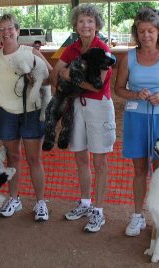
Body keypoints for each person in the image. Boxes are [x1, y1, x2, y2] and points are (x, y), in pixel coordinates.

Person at [114, 7, 159, 236]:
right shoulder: (129, 57)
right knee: (139, 170)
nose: (146, 35)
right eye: (142, 31)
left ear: (158, 32)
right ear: (136, 32)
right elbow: (118, 88)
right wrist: (136, 95)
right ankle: (138, 216)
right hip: (136, 118)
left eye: (151, 31)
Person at [49, 4, 116, 233]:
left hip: (98, 106)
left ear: (97, 24)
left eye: (89, 21)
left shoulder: (103, 49)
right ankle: (85, 202)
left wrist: (70, 77)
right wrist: (60, 91)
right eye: (81, 21)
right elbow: (56, 71)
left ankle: (98, 211)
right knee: (80, 158)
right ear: (75, 26)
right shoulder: (72, 48)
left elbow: (97, 86)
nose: (85, 25)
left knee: (99, 162)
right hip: (76, 105)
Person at [0, 13, 52, 221]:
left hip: (31, 112)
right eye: (2, 29)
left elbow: (50, 76)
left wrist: (36, 80)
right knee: (13, 158)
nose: (6, 32)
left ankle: (41, 202)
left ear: (17, 30)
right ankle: (14, 198)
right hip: (5, 113)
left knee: (34, 159)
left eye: (10, 28)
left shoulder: (31, 52)